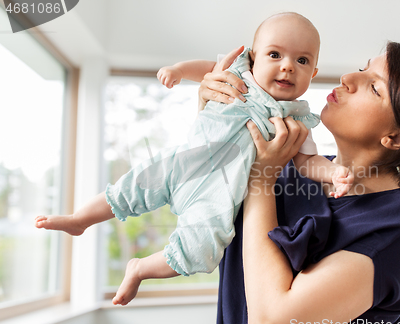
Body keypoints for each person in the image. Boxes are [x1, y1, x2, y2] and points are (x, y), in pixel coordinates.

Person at [34, 12, 352, 306]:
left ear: (314, 72)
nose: (287, 66)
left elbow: (306, 162)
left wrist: (334, 172)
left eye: (302, 60)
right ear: (253, 57)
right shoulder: (238, 76)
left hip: (220, 194)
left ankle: (140, 268)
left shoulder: (298, 120)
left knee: (201, 247)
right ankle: (81, 220)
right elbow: (206, 71)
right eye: (274, 55)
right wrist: (179, 71)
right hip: (184, 161)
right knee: (130, 188)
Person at [199, 41, 400, 324]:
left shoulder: (396, 223)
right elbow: (199, 198)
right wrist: (215, 113)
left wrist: (260, 178)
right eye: (363, 68)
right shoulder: (286, 164)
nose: (348, 78)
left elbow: (274, 322)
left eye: (374, 87)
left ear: (397, 137)